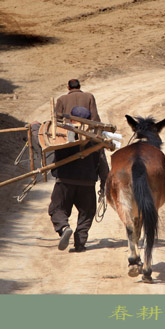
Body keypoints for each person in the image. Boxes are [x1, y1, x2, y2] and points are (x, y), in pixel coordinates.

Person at [48, 105, 109, 253]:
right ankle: (80, 244)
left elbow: (42, 142)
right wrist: (104, 184)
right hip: (87, 184)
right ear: (89, 120)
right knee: (87, 213)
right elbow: (102, 164)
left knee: (57, 209)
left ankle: (64, 228)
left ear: (71, 118)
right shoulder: (97, 139)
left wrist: (36, 127)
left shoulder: (60, 135)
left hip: (64, 182)